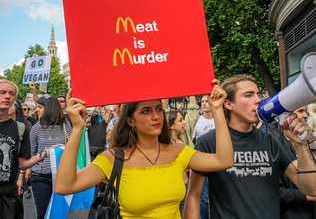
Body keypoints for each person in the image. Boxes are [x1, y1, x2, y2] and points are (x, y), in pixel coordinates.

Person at [55, 81, 234, 218]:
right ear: (131, 120)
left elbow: (224, 160)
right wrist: (77, 128)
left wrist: (217, 110)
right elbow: (65, 185)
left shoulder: (179, 151)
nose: (156, 116)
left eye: (158, 109)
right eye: (146, 111)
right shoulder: (113, 158)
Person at [184, 74, 316, 219]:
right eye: (248, 95)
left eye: (257, 94)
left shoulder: (271, 139)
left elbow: (311, 189)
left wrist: (300, 146)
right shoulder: (208, 142)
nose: (258, 100)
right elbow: (194, 196)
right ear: (228, 104)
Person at [0, 79, 45, 219]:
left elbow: (22, 163)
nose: (7, 96)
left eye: (11, 93)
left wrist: (42, 155)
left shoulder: (20, 129)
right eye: (2, 92)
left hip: (8, 198)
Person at [30, 94, 72, 219]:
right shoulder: (35, 128)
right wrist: (42, 155)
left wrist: (63, 147)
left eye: (39, 107)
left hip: (61, 177)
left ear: (49, 108)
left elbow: (73, 148)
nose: (36, 110)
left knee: (58, 214)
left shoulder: (65, 125)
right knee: (43, 215)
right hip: (40, 177)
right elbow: (31, 154)